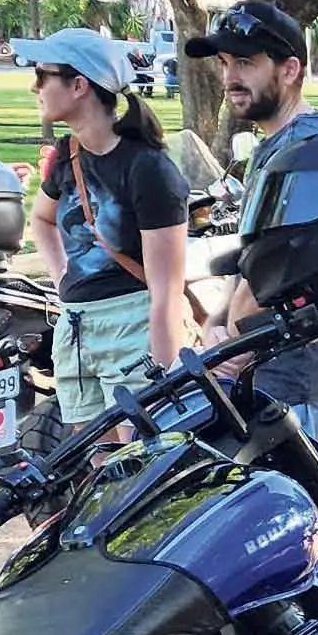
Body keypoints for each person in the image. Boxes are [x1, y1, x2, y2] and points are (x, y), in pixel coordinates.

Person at [187, 0, 318, 489]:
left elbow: (280, 267)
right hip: (271, 375)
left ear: (290, 69)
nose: (230, 77)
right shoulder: (272, 149)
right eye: (226, 63)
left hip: (311, 386)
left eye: (246, 63)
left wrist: (230, 336)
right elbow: (252, 259)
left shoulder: (307, 152)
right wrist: (214, 324)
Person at [27, 28, 191, 433]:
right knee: (95, 466)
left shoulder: (148, 169)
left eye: (42, 75)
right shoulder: (68, 153)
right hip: (77, 325)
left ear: (78, 84)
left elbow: (166, 291)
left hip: (132, 327)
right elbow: (42, 218)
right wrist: (62, 275)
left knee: (140, 462)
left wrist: (166, 376)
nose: (35, 87)